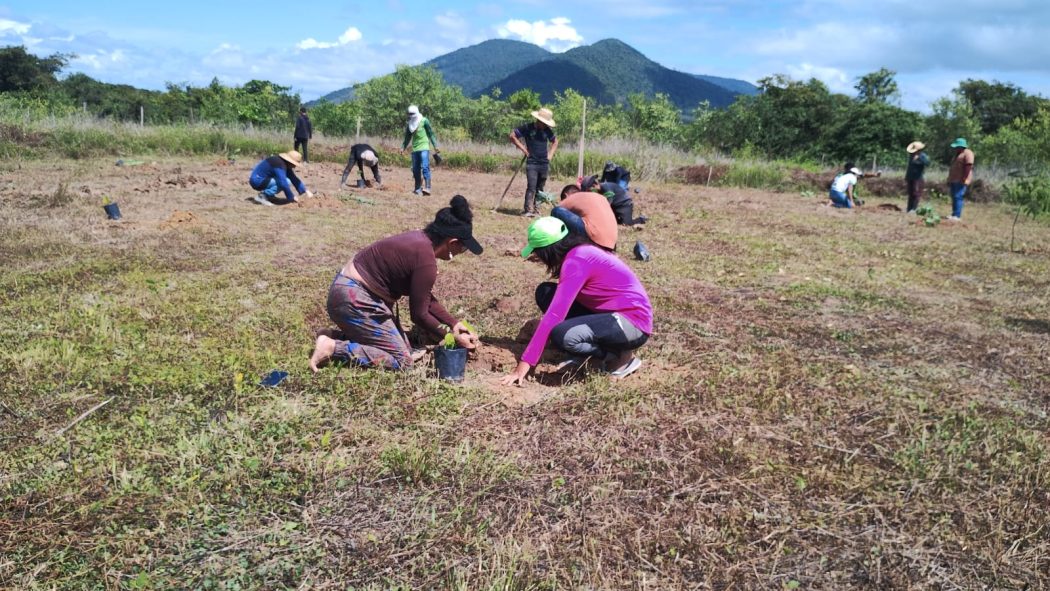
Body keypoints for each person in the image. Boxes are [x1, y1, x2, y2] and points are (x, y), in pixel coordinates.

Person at [310, 196, 483, 372]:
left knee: (406, 348)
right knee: (403, 361)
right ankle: (333, 348)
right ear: (452, 242)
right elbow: (419, 315)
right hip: (355, 301)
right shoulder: (426, 261)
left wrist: (454, 324)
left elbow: (424, 298)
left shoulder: (420, 241)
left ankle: (332, 335)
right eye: (463, 248)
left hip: (349, 293)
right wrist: (450, 337)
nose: (463, 252)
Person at [501, 217, 653, 385]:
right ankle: (588, 354)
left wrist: (525, 363)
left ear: (548, 251)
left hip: (632, 322)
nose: (537, 257)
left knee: (563, 335)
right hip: (608, 314)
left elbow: (555, 314)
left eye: (537, 252)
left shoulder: (577, 261)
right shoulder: (579, 252)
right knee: (545, 293)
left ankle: (618, 358)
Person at [509, 107, 559, 217]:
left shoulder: (547, 130)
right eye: (544, 123)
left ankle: (537, 209)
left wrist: (550, 155)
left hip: (544, 163)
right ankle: (528, 210)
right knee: (531, 186)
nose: (546, 125)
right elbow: (512, 136)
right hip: (532, 162)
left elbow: (555, 142)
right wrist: (524, 149)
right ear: (539, 120)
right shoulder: (527, 128)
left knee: (540, 188)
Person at [553, 184, 618, 251]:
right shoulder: (599, 197)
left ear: (566, 195)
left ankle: (557, 247)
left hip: (595, 238)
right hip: (611, 244)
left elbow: (558, 207)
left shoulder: (573, 197)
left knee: (557, 211)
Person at [248, 150, 313, 206]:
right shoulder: (279, 164)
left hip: (263, 180)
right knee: (287, 181)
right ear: (290, 161)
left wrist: (305, 191)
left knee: (287, 180)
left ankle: (269, 196)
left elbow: (293, 178)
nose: (294, 166)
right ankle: (262, 196)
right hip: (257, 181)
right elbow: (283, 182)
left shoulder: (284, 164)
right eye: (294, 164)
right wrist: (291, 197)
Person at [401, 105, 439, 196]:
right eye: (409, 114)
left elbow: (431, 134)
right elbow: (407, 138)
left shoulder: (424, 121)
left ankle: (427, 188)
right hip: (415, 148)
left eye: (412, 114)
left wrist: (435, 145)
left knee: (425, 167)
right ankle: (417, 188)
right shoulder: (410, 124)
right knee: (415, 169)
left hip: (424, 147)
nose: (410, 115)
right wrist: (403, 147)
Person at [580, 175, 647, 226]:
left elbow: (607, 205)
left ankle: (641, 219)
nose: (590, 192)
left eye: (589, 190)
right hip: (615, 206)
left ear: (595, 185)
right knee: (612, 222)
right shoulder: (598, 191)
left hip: (624, 205)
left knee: (627, 223)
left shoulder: (606, 188)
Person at [946, 137, 975, 221]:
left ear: (961, 146)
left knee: (958, 196)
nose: (955, 148)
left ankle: (957, 215)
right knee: (954, 196)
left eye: (957, 147)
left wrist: (964, 178)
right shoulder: (957, 155)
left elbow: (968, 166)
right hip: (954, 179)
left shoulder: (968, 153)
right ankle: (954, 214)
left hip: (961, 179)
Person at [905, 141, 930, 213]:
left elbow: (927, 163)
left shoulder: (922, 156)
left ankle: (914, 209)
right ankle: (909, 209)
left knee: (916, 194)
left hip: (918, 177)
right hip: (910, 177)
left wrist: (919, 159)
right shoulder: (911, 156)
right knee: (910, 193)